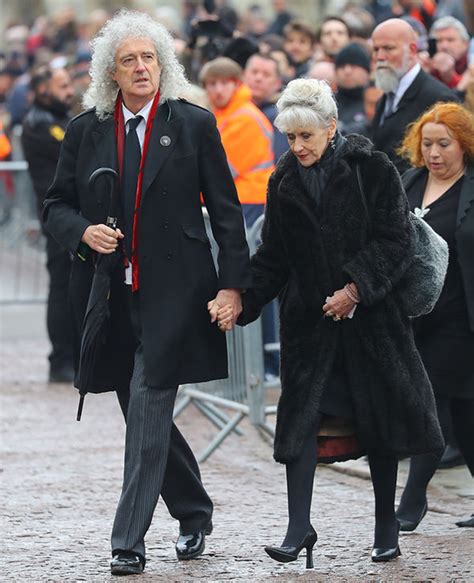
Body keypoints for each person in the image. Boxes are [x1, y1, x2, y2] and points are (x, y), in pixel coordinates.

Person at [43, 10, 251, 576]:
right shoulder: (88, 128)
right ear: (111, 71)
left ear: (164, 65)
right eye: (129, 59)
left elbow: (228, 214)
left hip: (175, 293)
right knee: (142, 412)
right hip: (108, 296)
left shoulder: (193, 123)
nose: (141, 68)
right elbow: (55, 205)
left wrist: (234, 285)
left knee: (151, 398)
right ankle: (194, 510)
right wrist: (82, 232)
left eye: (150, 58)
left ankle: (127, 540)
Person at [221, 78, 444, 567]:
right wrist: (243, 299)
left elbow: (395, 241)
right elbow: (274, 255)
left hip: (371, 324)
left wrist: (355, 288)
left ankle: (386, 524)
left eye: (307, 136)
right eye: (291, 137)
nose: (298, 147)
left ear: (331, 127)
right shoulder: (283, 180)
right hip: (311, 327)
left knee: (377, 425)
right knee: (301, 427)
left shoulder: (372, 169)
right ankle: (298, 528)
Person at [396, 102, 474, 531]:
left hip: (460, 318)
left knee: (434, 403)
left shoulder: (471, 189)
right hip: (414, 317)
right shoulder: (410, 181)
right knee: (465, 416)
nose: (435, 153)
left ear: (464, 146)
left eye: (445, 144)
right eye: (427, 144)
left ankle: (412, 501)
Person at [21, 65, 75, 383]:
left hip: (69, 215)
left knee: (75, 286)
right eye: (63, 85)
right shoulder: (40, 124)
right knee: (63, 287)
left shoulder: (57, 118)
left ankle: (77, 355)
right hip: (57, 217)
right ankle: (61, 358)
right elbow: (72, 150)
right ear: (44, 90)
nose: (70, 91)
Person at [371, 18, 456, 173]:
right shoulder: (386, 97)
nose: (380, 57)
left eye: (388, 48)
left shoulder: (438, 98)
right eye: (376, 49)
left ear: (411, 50)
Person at [200, 56, 274, 227]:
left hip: (248, 200)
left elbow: (220, 169)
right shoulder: (225, 114)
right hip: (239, 198)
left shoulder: (245, 118)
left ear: (237, 84)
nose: (218, 90)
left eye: (225, 83)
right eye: (212, 84)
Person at [243, 52, 288, 161]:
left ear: (277, 83)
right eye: (254, 72)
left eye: (266, 74)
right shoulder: (231, 109)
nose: (258, 78)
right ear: (244, 75)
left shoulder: (279, 117)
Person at [334, 42, 371, 136]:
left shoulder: (375, 103)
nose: (347, 71)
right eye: (342, 67)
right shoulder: (327, 104)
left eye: (354, 66)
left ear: (367, 72)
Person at [429, 16, 470, 89]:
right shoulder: (430, 67)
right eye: (439, 41)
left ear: (465, 44)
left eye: (450, 40)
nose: (444, 46)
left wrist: (451, 78)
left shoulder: (471, 66)